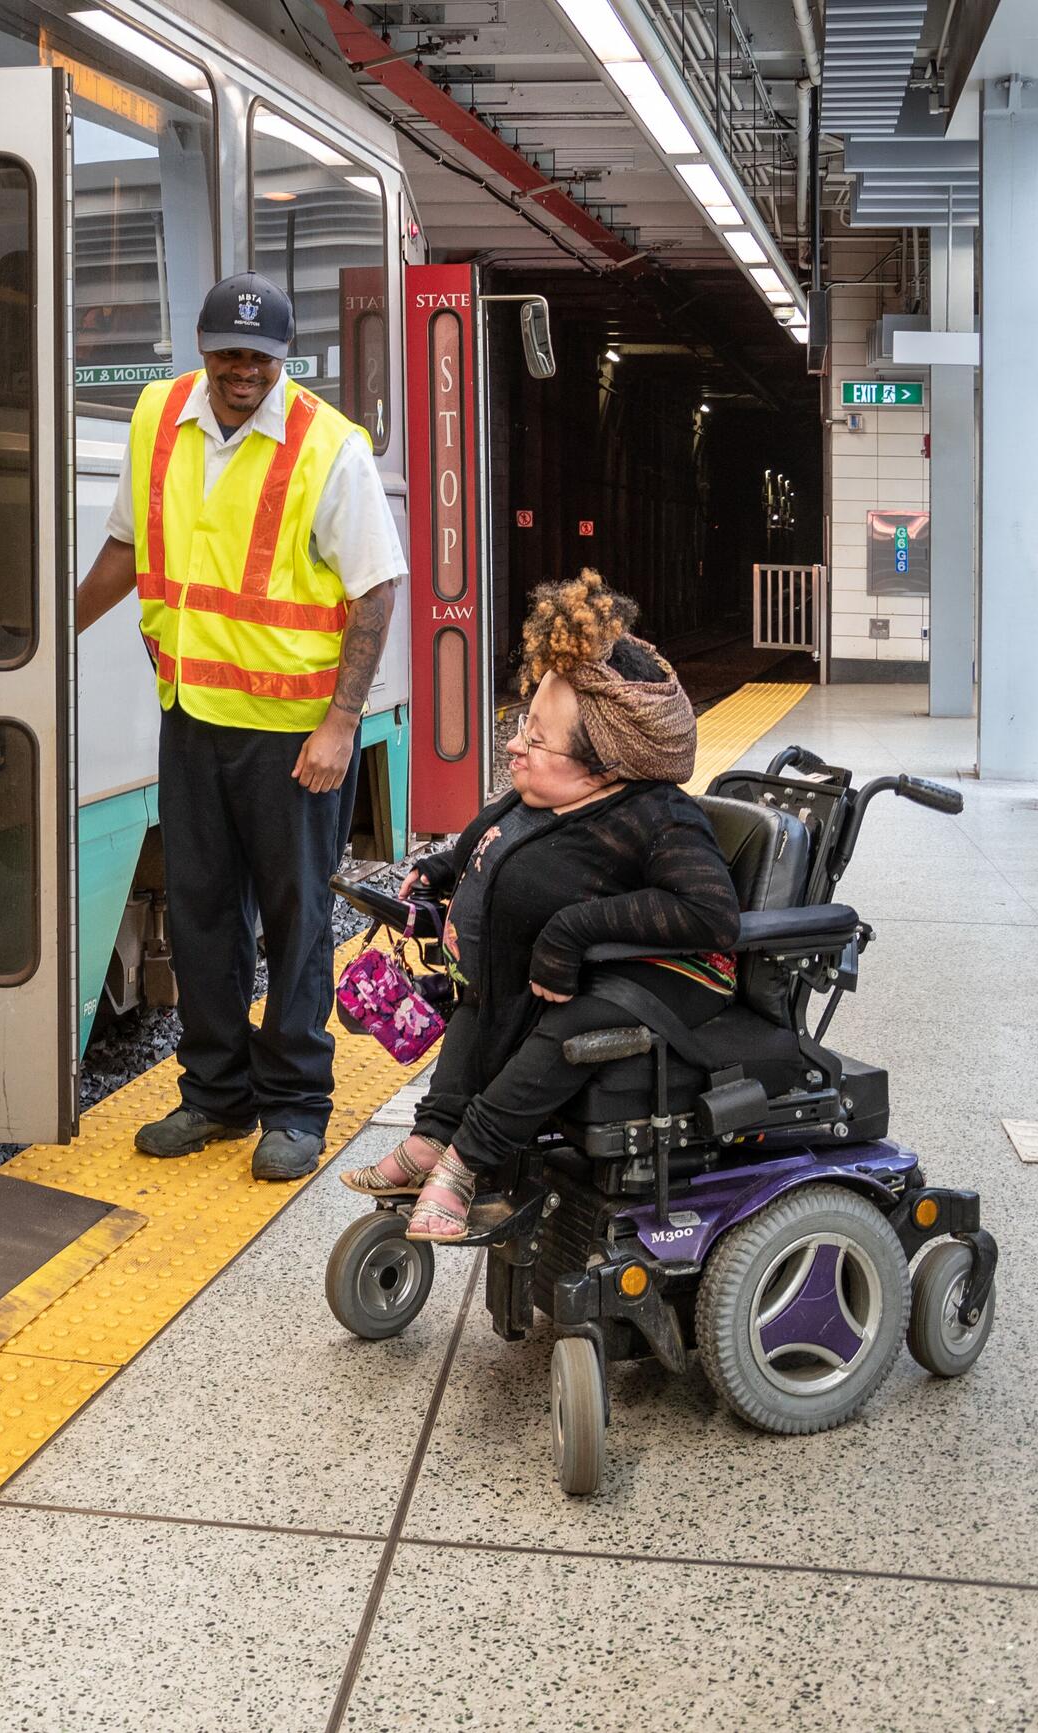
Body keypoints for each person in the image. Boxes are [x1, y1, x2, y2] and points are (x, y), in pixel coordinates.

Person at [76, 272, 406, 1182]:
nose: (241, 371)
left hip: (294, 736)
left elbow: (375, 587)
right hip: (192, 720)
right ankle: (216, 1095)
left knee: (299, 923)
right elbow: (125, 548)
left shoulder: (326, 447)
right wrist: (48, 636)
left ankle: (296, 1105)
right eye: (227, 353)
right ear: (202, 346)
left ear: (282, 358)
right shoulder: (158, 418)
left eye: (259, 357)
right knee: (203, 914)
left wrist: (341, 724)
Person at [339, 572, 741, 1239]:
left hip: (670, 976)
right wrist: (443, 869)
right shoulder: (542, 797)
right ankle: (433, 1138)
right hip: (581, 963)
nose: (515, 746)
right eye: (524, 727)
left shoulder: (657, 816)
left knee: (564, 1028)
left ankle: (469, 1161)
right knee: (481, 992)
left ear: (606, 764)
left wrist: (571, 930)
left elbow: (711, 914)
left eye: (538, 740)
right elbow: (491, 843)